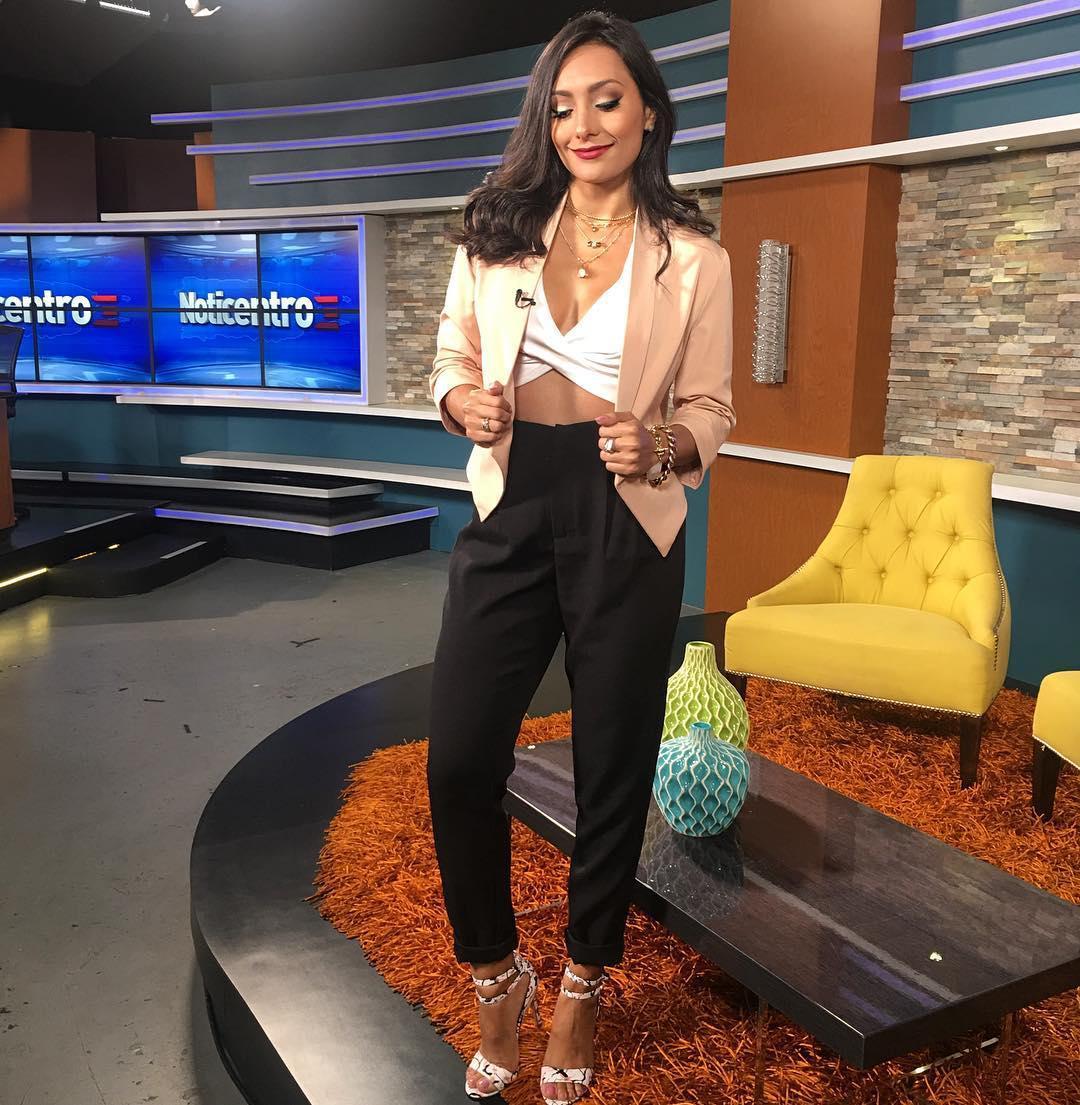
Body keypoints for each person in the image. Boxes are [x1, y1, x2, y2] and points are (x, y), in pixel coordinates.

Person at [425, 10, 734, 1101]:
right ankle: (495, 972)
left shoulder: (694, 259)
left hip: (626, 515)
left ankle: (583, 982)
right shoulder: (498, 232)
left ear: (648, 112)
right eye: (561, 107)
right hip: (512, 505)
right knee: (458, 759)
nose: (583, 125)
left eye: (606, 100)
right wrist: (459, 400)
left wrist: (667, 443)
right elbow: (452, 356)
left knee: (613, 765)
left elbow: (712, 408)